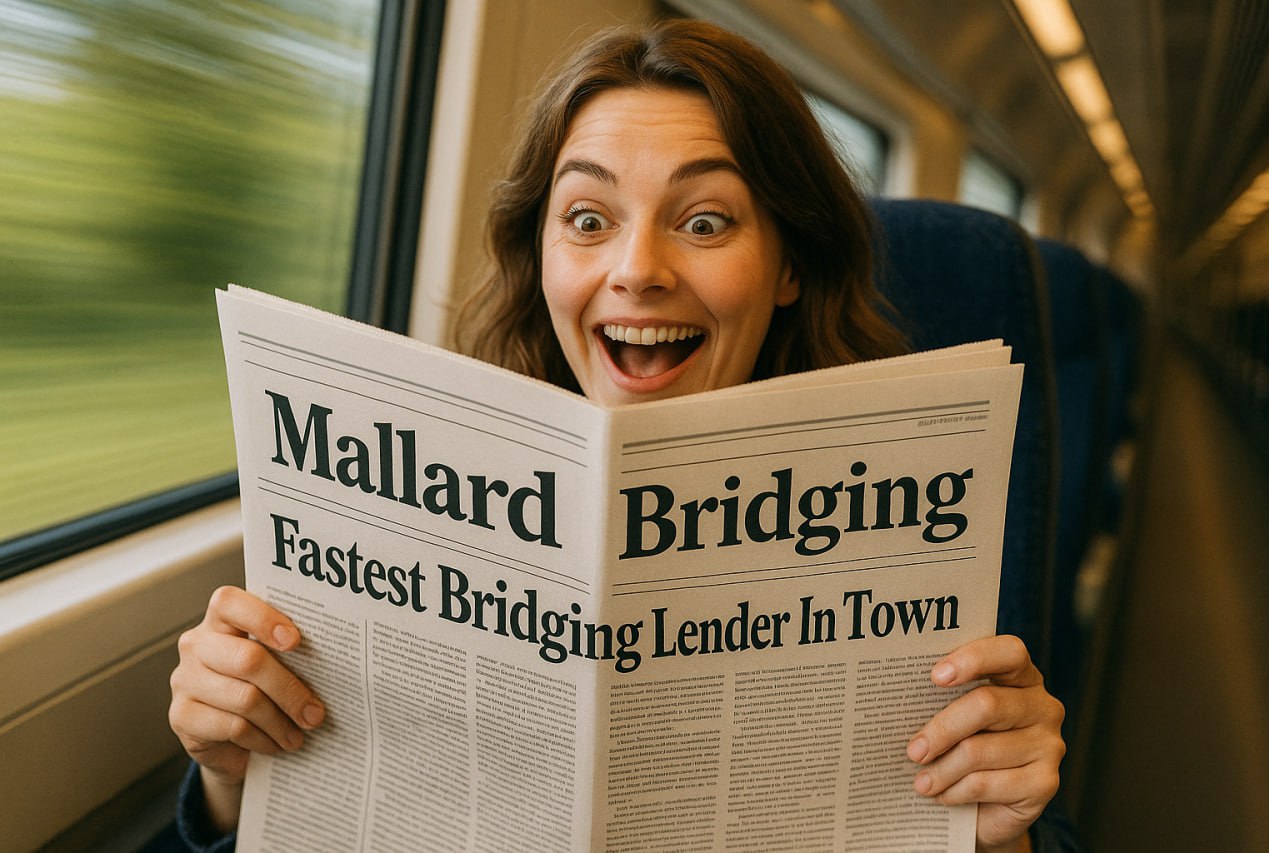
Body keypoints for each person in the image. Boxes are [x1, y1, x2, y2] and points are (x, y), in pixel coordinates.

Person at [170, 19, 1070, 852]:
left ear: (790, 262)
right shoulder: (403, 488)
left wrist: (1001, 834)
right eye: (589, 221)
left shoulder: (914, 515)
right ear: (543, 252)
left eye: (705, 221)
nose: (637, 271)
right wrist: (231, 778)